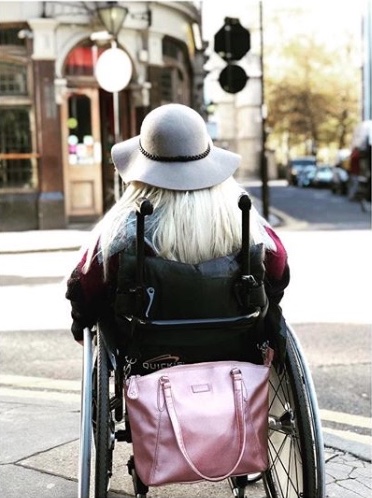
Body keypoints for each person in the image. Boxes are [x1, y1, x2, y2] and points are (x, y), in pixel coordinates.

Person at [65, 104, 290, 352]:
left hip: (144, 352)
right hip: (237, 344)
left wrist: (81, 327)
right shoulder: (240, 217)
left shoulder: (124, 230)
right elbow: (278, 264)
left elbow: (84, 286)